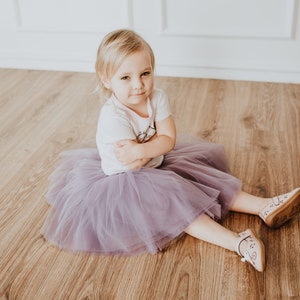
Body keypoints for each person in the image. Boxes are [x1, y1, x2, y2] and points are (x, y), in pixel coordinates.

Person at [41, 29, 300, 272]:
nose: (138, 85)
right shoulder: (112, 117)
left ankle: (264, 206)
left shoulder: (158, 97)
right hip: (126, 181)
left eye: (145, 73)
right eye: (125, 78)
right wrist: (153, 145)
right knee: (180, 203)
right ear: (106, 79)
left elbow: (169, 141)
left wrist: (146, 148)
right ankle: (238, 242)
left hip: (155, 162)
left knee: (205, 180)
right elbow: (134, 164)